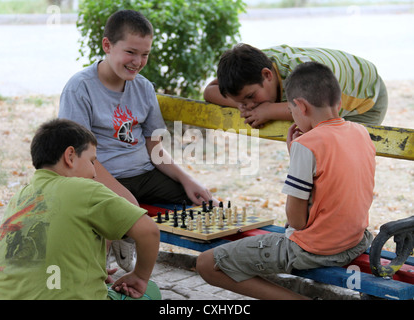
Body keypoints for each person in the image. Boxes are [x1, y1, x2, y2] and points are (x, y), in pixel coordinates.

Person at [196, 61, 376, 300]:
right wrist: (299, 158)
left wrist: (299, 156)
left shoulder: (307, 145)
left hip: (316, 249)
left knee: (207, 263)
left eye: (291, 111)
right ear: (339, 101)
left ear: (300, 106)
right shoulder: (360, 132)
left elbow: (296, 221)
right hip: (355, 241)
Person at [59, 10, 214, 271]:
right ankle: (95, 269)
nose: (138, 61)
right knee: (116, 208)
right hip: (98, 177)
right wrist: (124, 198)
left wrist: (189, 180)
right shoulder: (80, 88)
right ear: (107, 45)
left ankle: (124, 236)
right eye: (131, 52)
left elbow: (155, 149)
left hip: (144, 174)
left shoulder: (143, 87)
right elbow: (79, 158)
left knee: (202, 204)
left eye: (145, 54)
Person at [0, 119, 161, 300]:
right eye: (92, 161)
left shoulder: (18, 198)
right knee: (150, 291)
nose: (95, 173)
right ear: (70, 156)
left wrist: (90, 268)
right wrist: (140, 276)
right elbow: (149, 231)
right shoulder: (85, 188)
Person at [204, 43, 388, 128]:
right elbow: (209, 91)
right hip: (321, 98)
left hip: (365, 98)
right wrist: (241, 105)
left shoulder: (299, 71)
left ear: (267, 75)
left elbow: (312, 108)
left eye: (251, 97)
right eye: (243, 101)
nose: (250, 105)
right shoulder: (250, 68)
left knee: (340, 157)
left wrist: (267, 111)